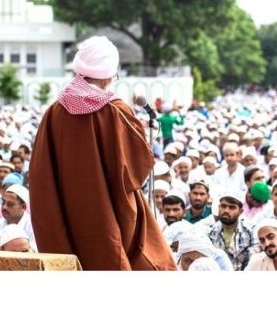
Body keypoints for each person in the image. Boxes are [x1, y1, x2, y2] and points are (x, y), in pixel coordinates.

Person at [30, 36, 176, 270]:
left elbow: (40, 174)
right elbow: (133, 172)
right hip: (107, 211)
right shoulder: (115, 111)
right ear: (110, 73)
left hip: (64, 212)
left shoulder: (54, 111)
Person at [207, 188, 258, 271]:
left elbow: (252, 262)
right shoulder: (211, 231)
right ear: (219, 207)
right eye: (223, 206)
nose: (226, 210)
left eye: (232, 207)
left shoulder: (251, 231)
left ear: (241, 211)